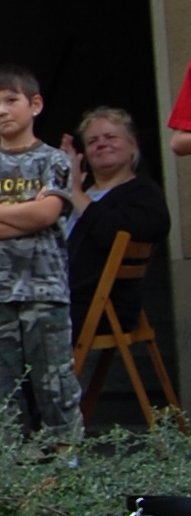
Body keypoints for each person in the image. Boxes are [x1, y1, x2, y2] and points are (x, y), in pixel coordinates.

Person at [0, 69, 81, 445]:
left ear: (35, 104)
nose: (2, 111)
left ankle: (66, 457)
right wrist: (24, 217)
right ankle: (4, 464)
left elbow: (47, 214)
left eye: (11, 100)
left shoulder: (53, 160)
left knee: (55, 382)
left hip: (44, 289)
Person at [63, 105, 173, 355]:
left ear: (132, 144)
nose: (101, 144)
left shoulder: (144, 194)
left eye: (111, 137)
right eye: (92, 141)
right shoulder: (78, 194)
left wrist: (74, 191)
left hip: (97, 307)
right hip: (57, 298)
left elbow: (111, 233)